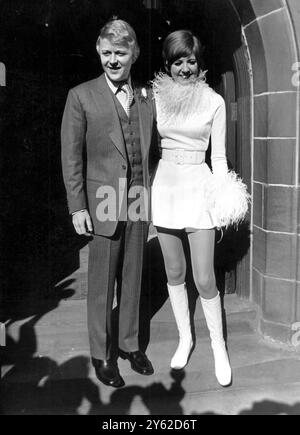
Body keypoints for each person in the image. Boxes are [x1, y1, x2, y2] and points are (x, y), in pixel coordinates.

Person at [61, 18, 156, 388]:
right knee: (101, 282)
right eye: (106, 53)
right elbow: (71, 158)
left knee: (133, 277)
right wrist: (77, 206)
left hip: (137, 196)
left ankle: (130, 344)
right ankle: (102, 354)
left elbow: (152, 151)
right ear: (98, 53)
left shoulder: (146, 96)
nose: (112, 61)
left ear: (133, 54)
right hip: (101, 197)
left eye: (120, 53)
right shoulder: (81, 95)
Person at [151, 30, 249, 387]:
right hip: (166, 187)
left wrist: (223, 197)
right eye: (178, 61)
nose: (185, 68)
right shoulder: (157, 99)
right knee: (174, 271)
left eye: (191, 61)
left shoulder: (214, 101)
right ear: (169, 64)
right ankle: (185, 339)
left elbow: (219, 157)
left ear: (199, 62)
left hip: (198, 187)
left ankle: (218, 348)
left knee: (204, 277)